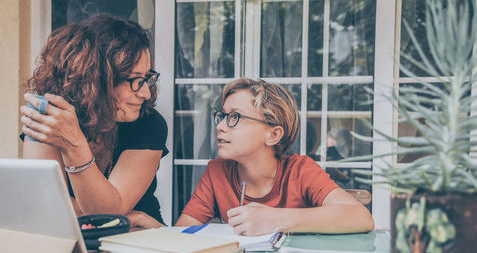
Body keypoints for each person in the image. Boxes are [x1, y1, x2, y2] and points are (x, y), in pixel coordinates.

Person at [20, 14, 168, 228]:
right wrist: (128, 215)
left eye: (147, 78)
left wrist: (74, 145)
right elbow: (43, 203)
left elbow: (108, 210)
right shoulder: (51, 118)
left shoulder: (149, 123)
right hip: (74, 234)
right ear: (94, 79)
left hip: (138, 235)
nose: (145, 92)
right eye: (135, 80)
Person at [175, 78, 374, 236]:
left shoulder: (300, 171)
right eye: (223, 116)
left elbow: (361, 217)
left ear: (273, 135)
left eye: (235, 117)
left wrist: (274, 220)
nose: (220, 126)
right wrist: (160, 231)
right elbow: (182, 234)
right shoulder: (217, 172)